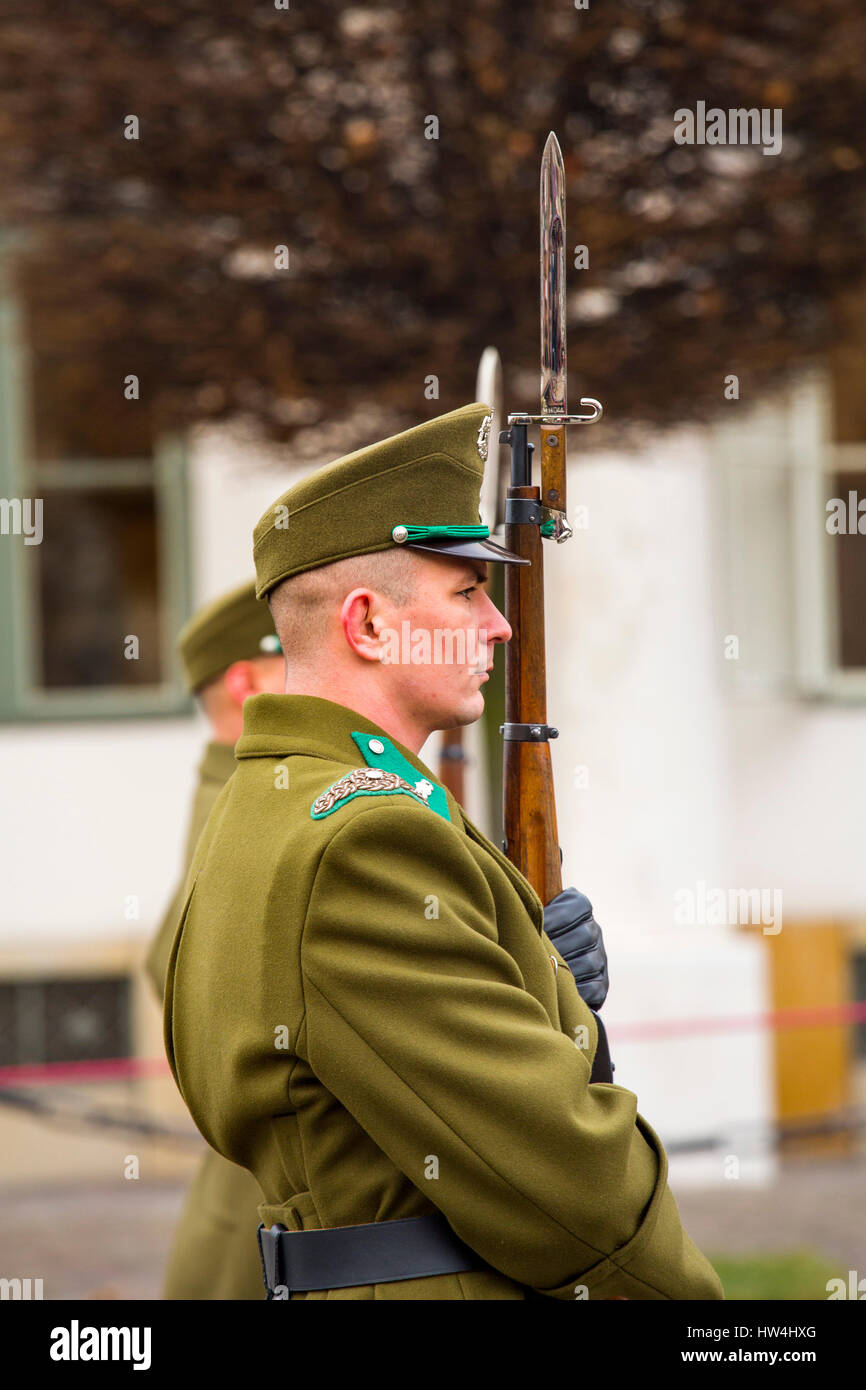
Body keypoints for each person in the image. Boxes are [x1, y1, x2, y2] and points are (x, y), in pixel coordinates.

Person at [164, 403, 724, 1300]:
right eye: (466, 593)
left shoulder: (274, 802)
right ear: (371, 626)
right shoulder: (368, 840)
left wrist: (539, 988)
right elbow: (564, 1184)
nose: (499, 626)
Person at [146, 580, 286, 1299]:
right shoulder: (251, 794)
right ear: (243, 682)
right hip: (260, 1217)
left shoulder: (243, 786)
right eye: (294, 657)